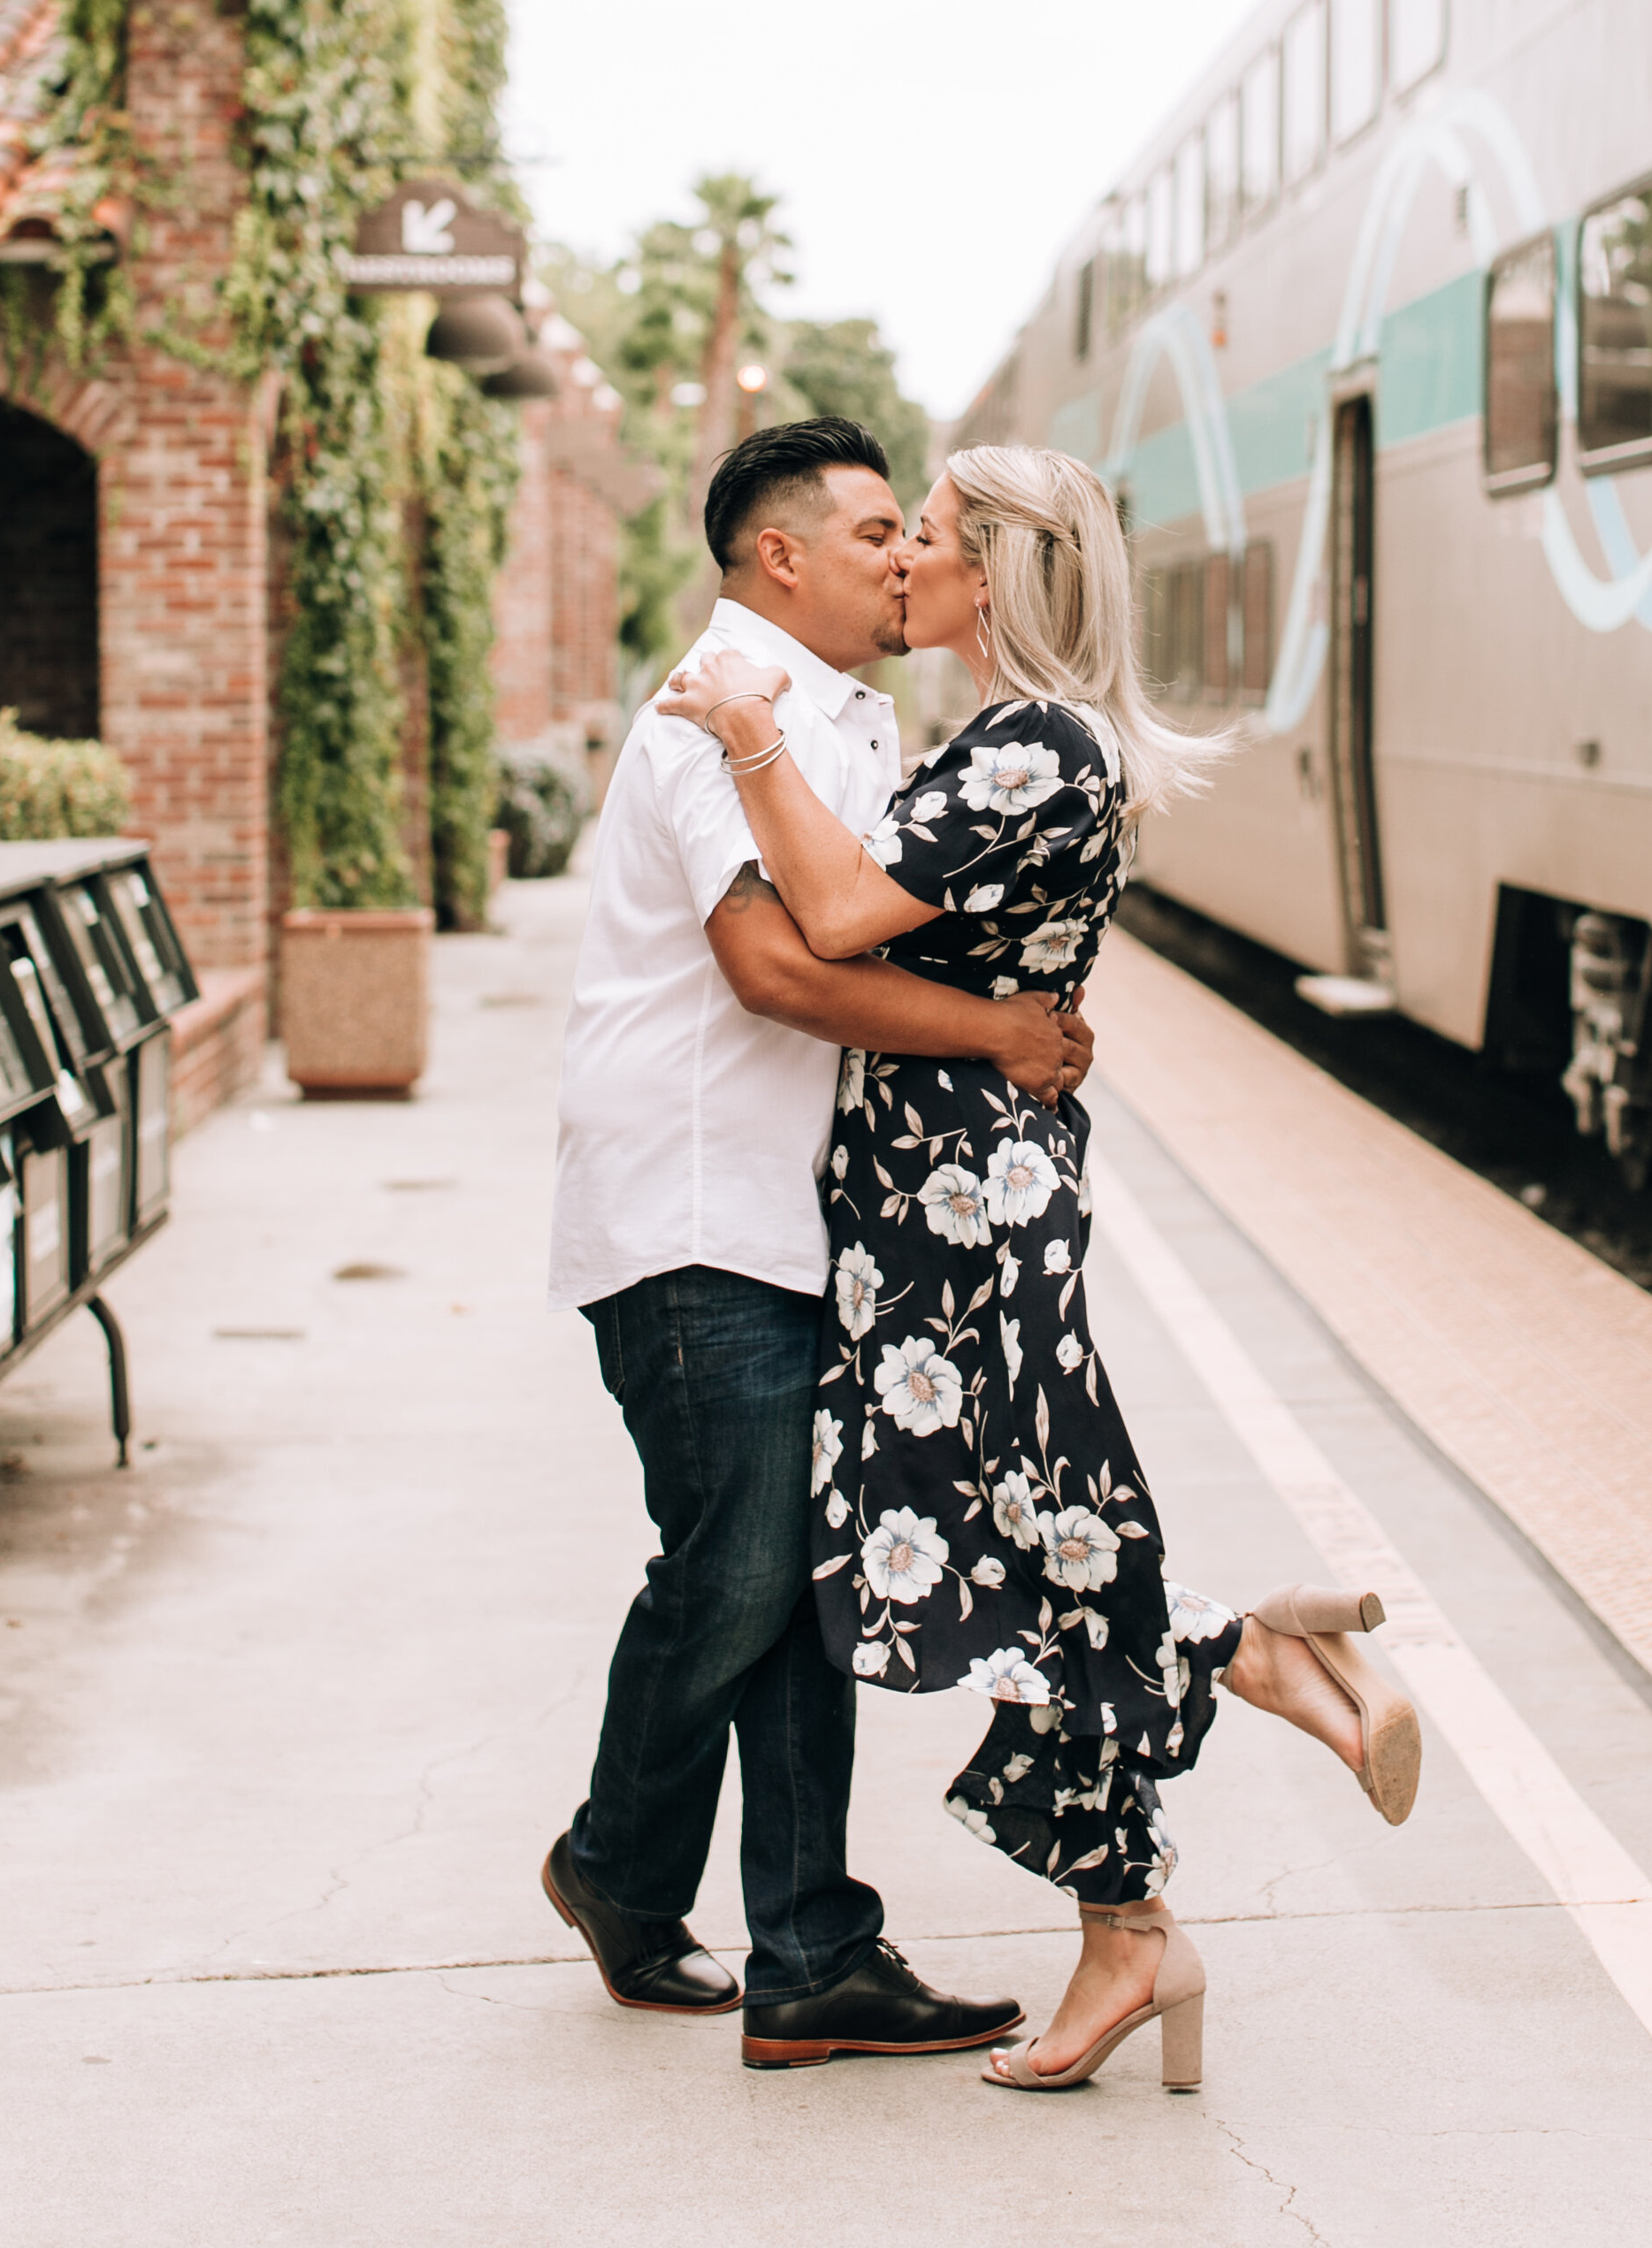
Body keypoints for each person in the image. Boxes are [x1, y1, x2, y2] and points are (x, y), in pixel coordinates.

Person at [659, 441, 1421, 2098]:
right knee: (1021, 1541)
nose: (901, 562)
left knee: (1005, 1546)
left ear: (993, 574)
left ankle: (1189, 1798)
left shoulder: (1033, 746)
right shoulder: (1016, 742)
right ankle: (1167, 1832)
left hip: (963, 1210)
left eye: (922, 536)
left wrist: (750, 732)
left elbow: (845, 909)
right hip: (945, 1199)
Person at [546, 417, 1097, 2073]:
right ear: (780, 556)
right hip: (692, 1208)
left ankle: (808, 1959)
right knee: (742, 1571)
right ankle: (621, 1865)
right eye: (877, 533)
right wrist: (994, 1033)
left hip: (803, 1220)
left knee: (799, 1587)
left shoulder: (851, 717)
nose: (906, 556)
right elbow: (779, 971)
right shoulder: (713, 715)